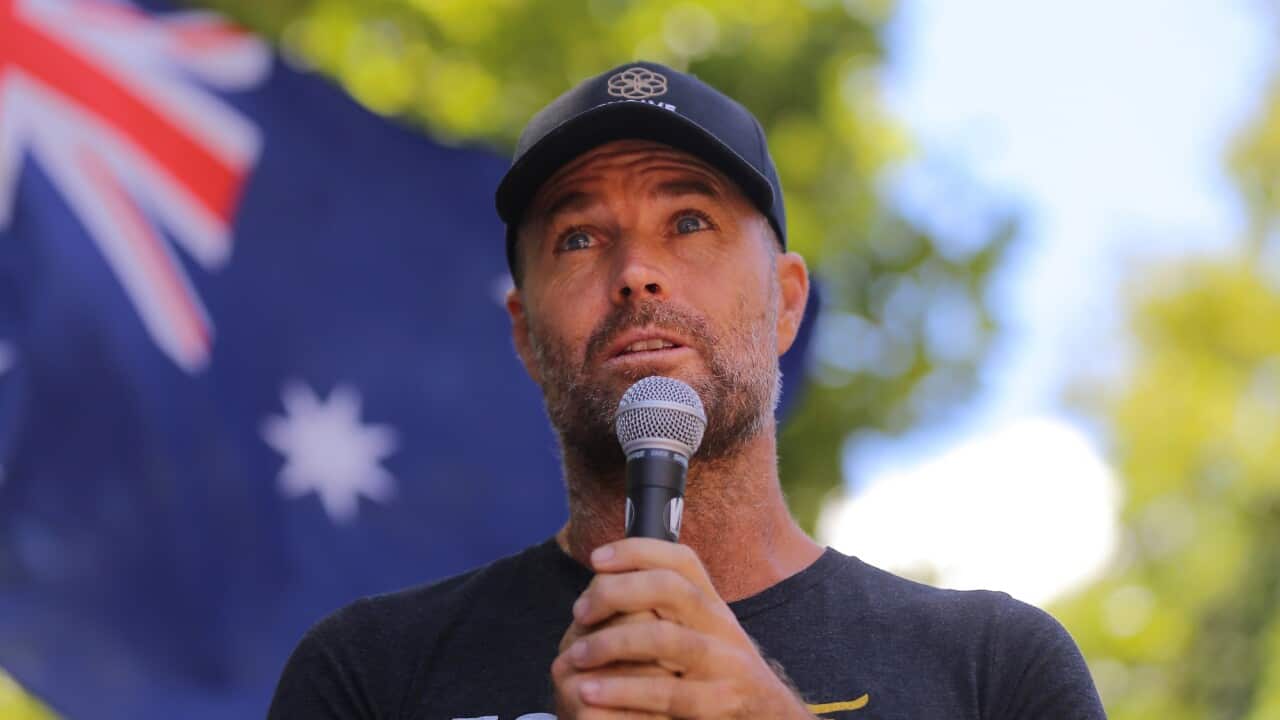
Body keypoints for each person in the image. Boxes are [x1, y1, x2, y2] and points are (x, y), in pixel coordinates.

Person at [267, 60, 1107, 720]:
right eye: (579, 237)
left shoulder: (994, 668)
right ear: (524, 335)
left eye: (690, 222)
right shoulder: (370, 673)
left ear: (786, 303)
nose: (636, 272)